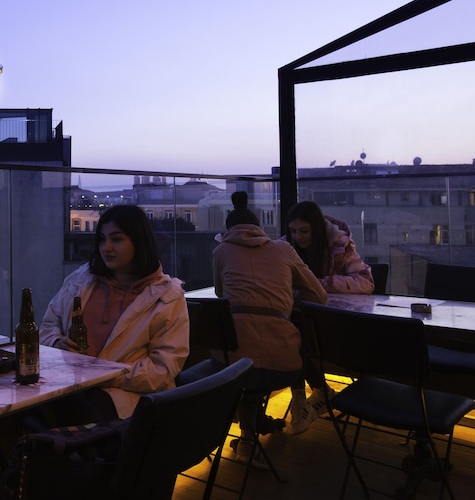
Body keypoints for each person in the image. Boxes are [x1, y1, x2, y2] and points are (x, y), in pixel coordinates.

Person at [39, 204, 190, 424]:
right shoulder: (81, 280)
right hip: (66, 384)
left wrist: (102, 374)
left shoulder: (167, 297)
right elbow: (47, 327)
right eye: (102, 239)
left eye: (116, 239)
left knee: (69, 413)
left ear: (138, 242)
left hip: (124, 399)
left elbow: (162, 371)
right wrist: (57, 344)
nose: (106, 247)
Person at [213, 192, 327, 465]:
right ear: (260, 228)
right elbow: (319, 296)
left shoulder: (221, 251)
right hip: (283, 366)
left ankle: (248, 437)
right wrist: (283, 296)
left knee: (242, 366)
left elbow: (220, 293)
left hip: (230, 365)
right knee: (266, 358)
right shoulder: (284, 249)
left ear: (227, 230)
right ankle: (256, 428)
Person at [283, 199, 374, 435]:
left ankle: (308, 398)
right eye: (293, 231)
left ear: (316, 229)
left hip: (335, 327)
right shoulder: (285, 248)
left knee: (294, 339)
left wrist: (319, 284)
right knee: (292, 336)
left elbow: (366, 282)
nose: (298, 237)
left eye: (304, 231)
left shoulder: (339, 246)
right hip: (305, 322)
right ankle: (312, 395)